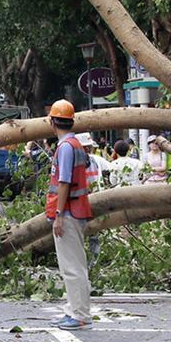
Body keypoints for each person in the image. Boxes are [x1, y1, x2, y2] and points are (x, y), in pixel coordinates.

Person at [45, 101, 93, 330]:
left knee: (72, 268)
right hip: (77, 210)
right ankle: (75, 310)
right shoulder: (75, 145)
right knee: (76, 265)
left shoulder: (65, 148)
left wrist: (59, 214)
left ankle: (79, 314)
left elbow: (63, 182)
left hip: (69, 213)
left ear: (52, 122)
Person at [76, 133, 108, 268]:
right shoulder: (73, 164)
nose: (88, 151)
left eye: (88, 148)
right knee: (80, 235)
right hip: (79, 203)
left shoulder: (95, 161)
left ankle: (93, 263)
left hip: (94, 201)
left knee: (94, 234)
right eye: (85, 148)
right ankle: (83, 262)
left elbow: (108, 169)